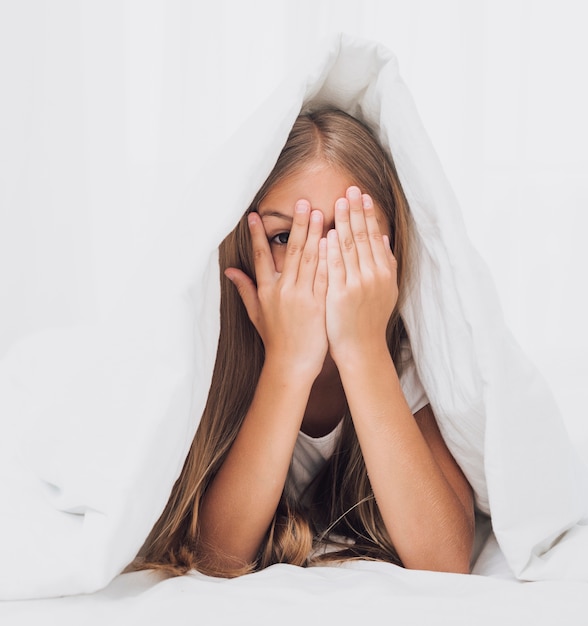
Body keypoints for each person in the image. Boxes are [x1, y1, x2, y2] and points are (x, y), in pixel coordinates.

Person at [133, 108, 475, 578]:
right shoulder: (216, 353)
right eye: (283, 236)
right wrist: (289, 363)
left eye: (350, 234)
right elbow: (215, 557)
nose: (315, 261)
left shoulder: (412, 354)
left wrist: (363, 349)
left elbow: (445, 561)